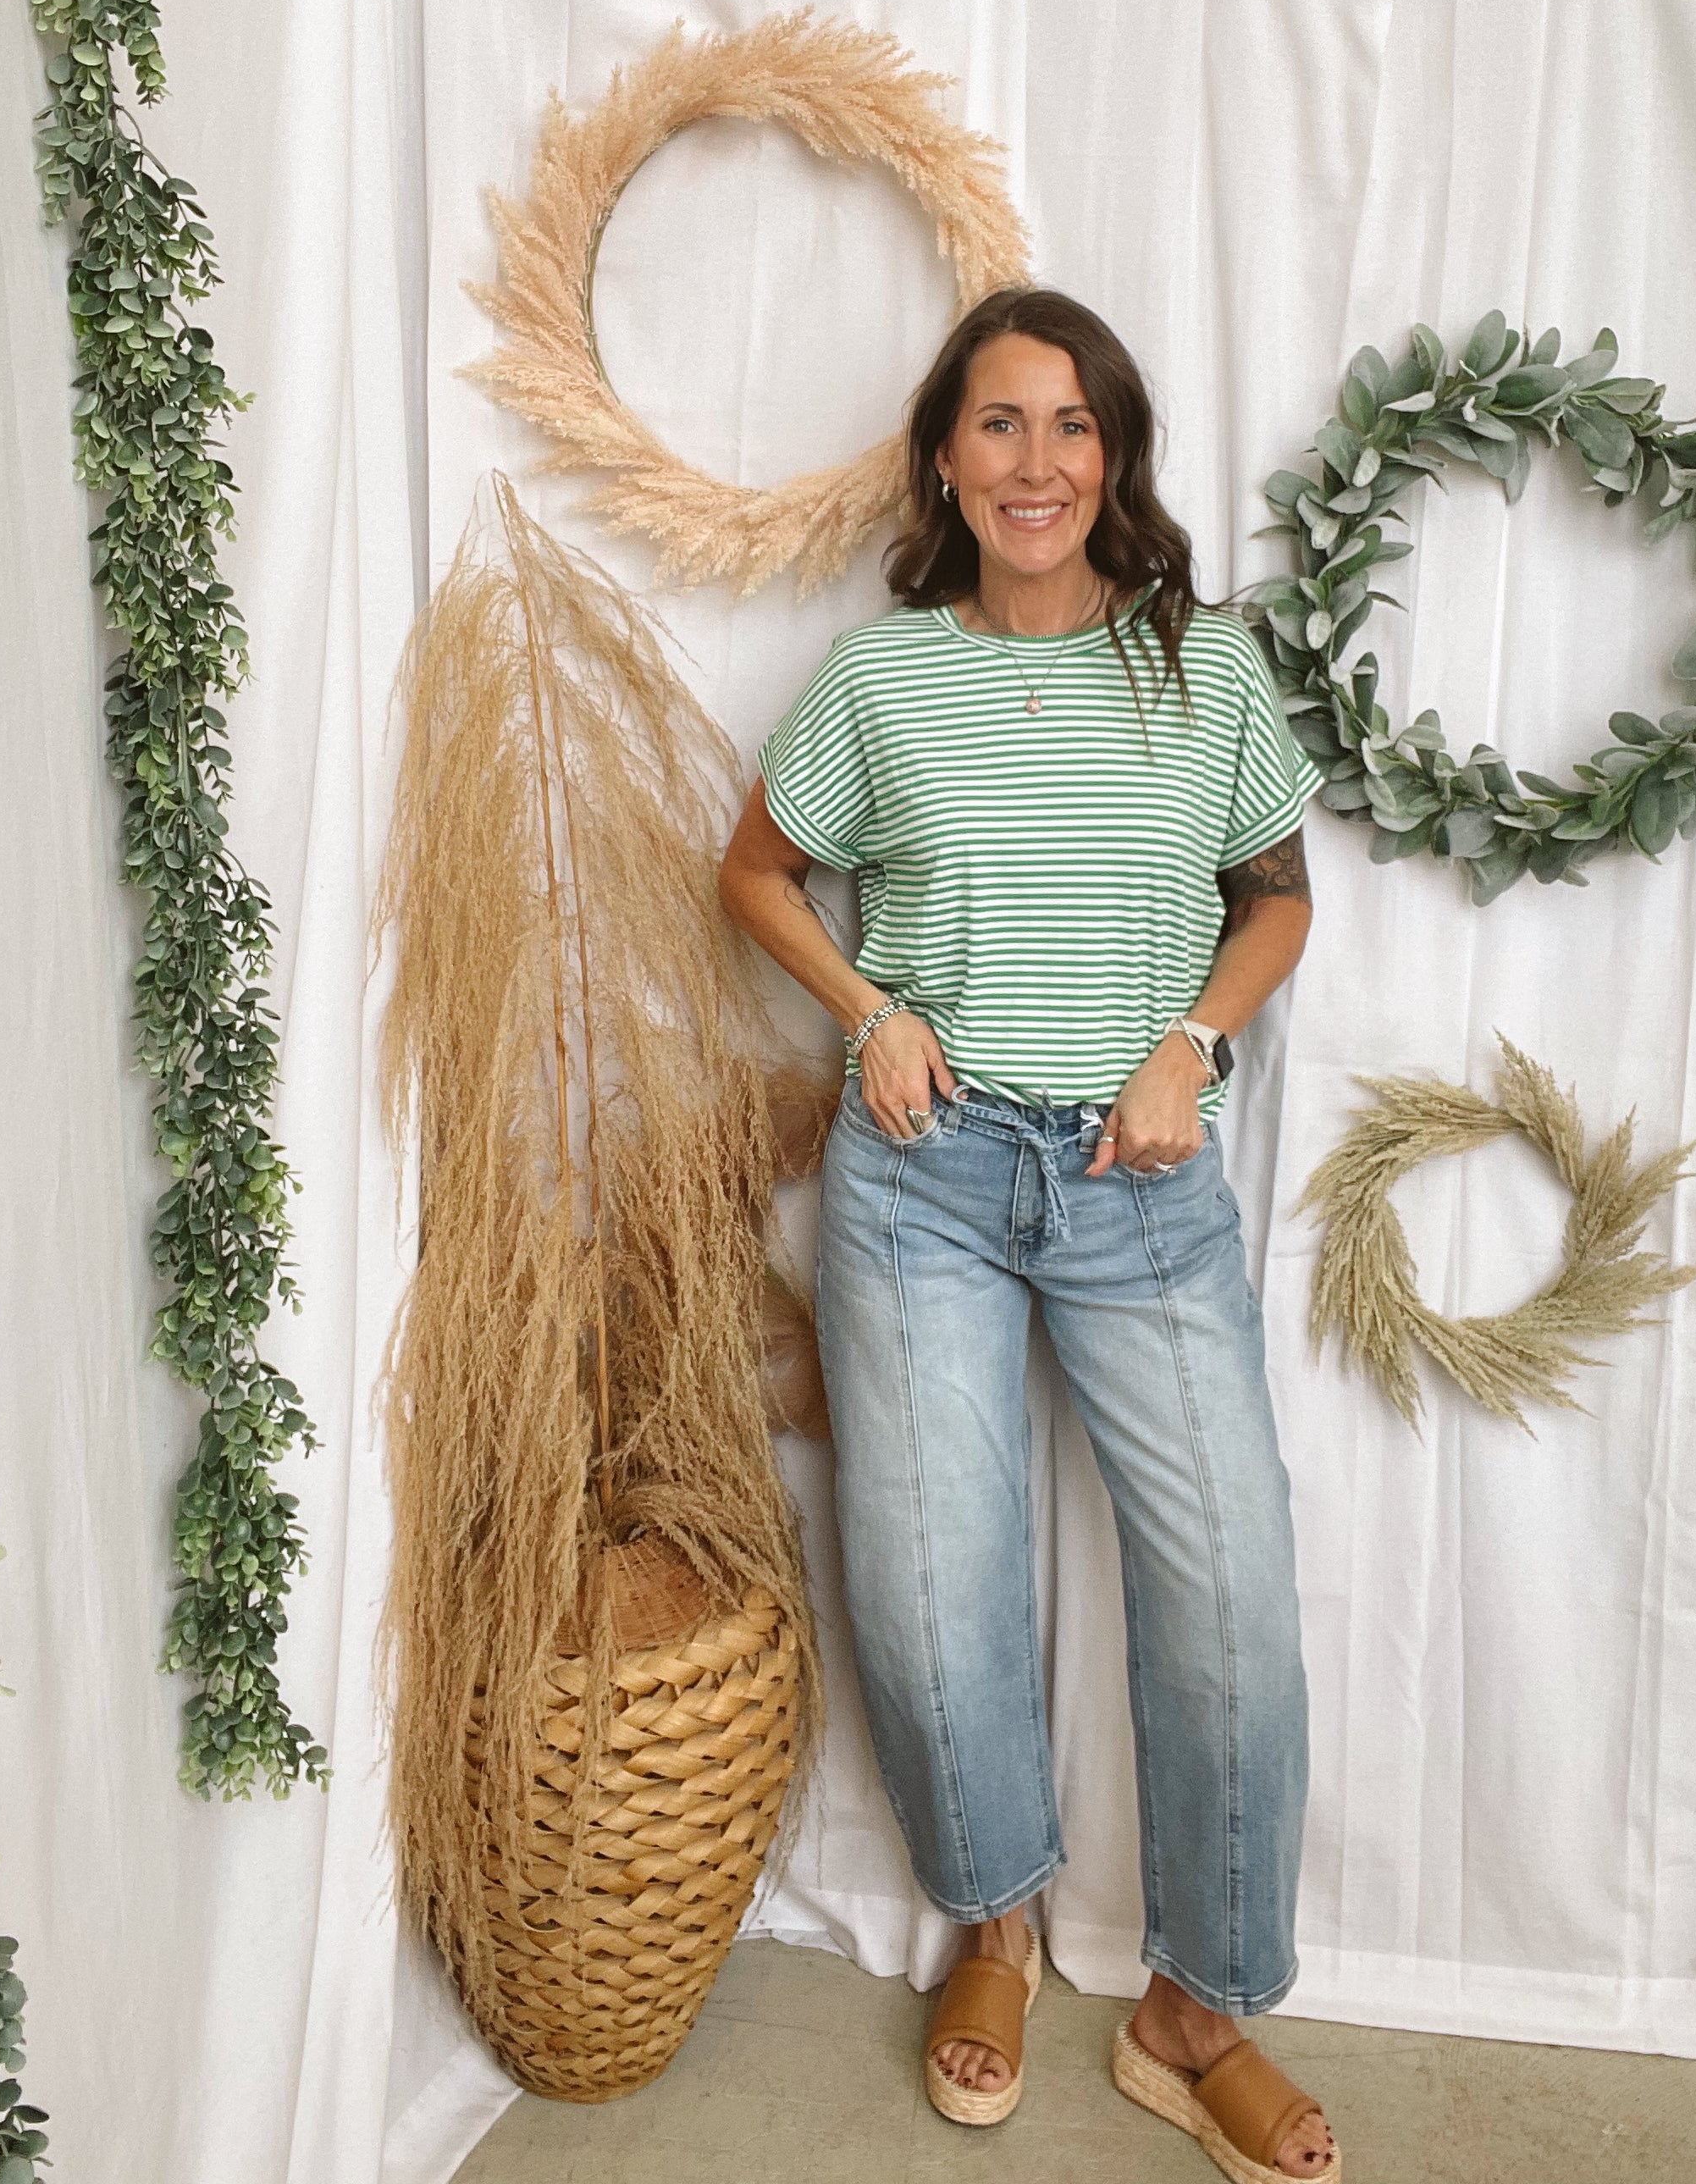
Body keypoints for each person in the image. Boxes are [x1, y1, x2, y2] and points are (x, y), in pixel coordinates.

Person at [718, 288, 1337, 2181]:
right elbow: (755, 866)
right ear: (945, 461)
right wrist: (868, 1008)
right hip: (925, 1179)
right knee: (926, 1579)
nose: (1037, 462)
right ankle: (995, 1921)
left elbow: (1279, 898)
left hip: (1143, 1183)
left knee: (1230, 1598)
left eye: (1071, 427)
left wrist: (1191, 1040)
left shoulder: (1204, 669)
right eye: (999, 425)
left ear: (1116, 456)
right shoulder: (883, 676)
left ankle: (1195, 2008)